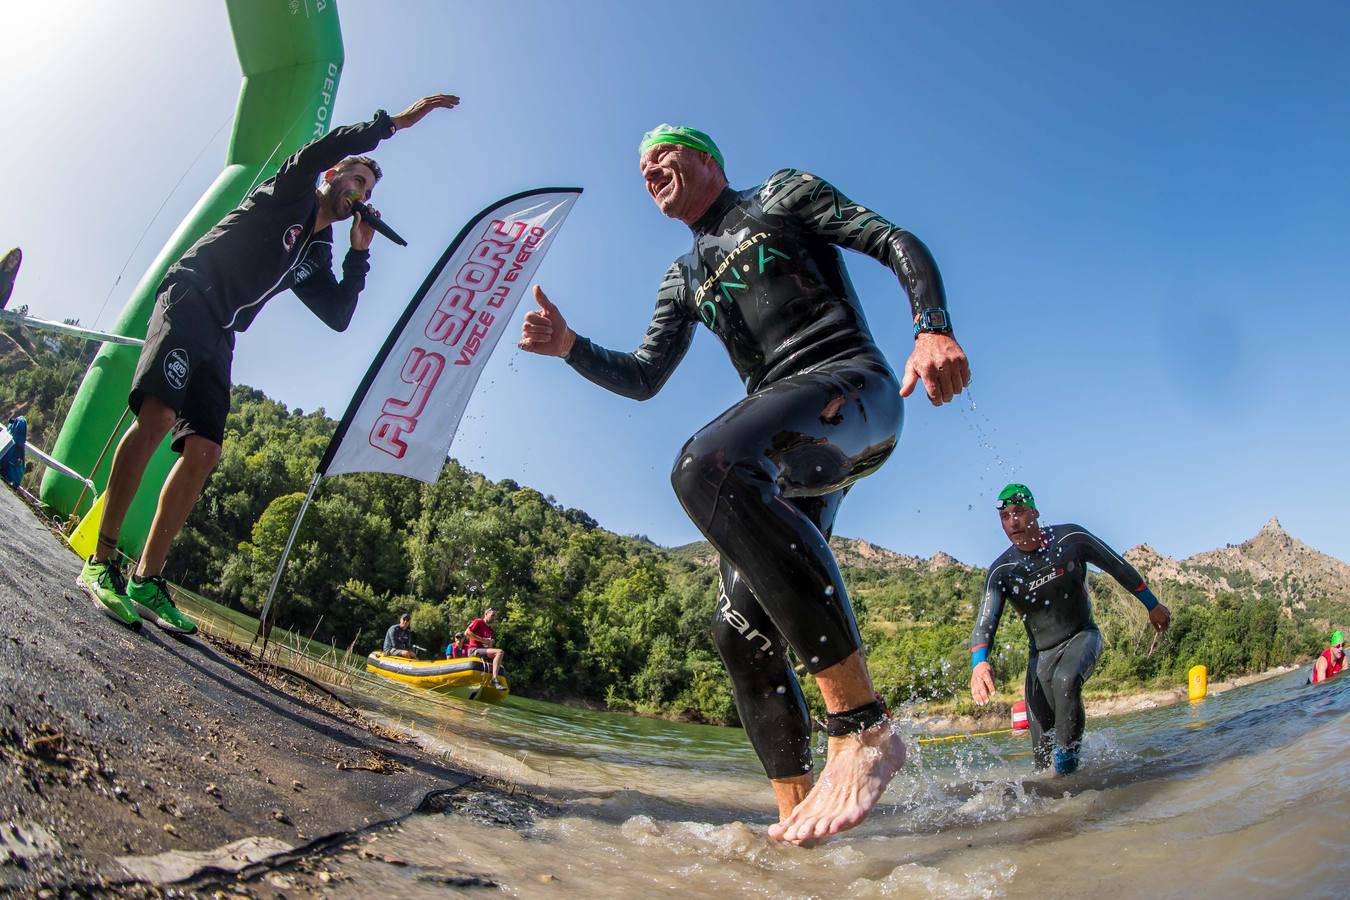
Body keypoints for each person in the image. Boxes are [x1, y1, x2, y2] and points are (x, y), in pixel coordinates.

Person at [518, 124, 971, 844]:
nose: (649, 171)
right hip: (790, 454)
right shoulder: (682, 277)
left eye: (661, 155)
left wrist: (932, 327)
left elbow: (893, 239)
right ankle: (802, 823)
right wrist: (571, 347)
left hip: (851, 389)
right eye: (639, 168)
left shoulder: (781, 194)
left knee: (707, 466)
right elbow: (644, 376)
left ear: (705, 158)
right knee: (738, 633)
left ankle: (860, 725)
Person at [75, 93, 460, 634]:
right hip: (191, 295)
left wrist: (360, 253)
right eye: (356, 180)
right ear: (333, 174)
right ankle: (102, 561)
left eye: (369, 190)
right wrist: (392, 125)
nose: (361, 191)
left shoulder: (315, 252)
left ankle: (146, 578)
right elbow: (326, 147)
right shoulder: (293, 190)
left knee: (205, 451)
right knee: (158, 418)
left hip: (224, 331)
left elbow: (337, 314)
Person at [969, 483, 1171, 775]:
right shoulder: (1003, 571)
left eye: (1019, 512)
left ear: (1035, 512)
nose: (1013, 521)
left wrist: (1151, 604)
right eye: (1005, 517)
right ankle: (1063, 797)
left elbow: (1117, 566)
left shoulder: (1071, 539)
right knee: (1041, 759)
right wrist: (979, 663)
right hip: (1040, 658)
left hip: (1082, 636)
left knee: (1066, 682)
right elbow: (985, 622)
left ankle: (1069, 776)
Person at [465, 608, 505, 689]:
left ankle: (491, 682)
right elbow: (467, 633)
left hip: (483, 651)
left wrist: (490, 643)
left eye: (495, 616)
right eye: (492, 615)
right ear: (486, 614)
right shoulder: (478, 621)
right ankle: (494, 679)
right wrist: (483, 640)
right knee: (500, 652)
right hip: (474, 650)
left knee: (498, 659)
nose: (494, 618)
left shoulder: (490, 630)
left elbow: (488, 648)